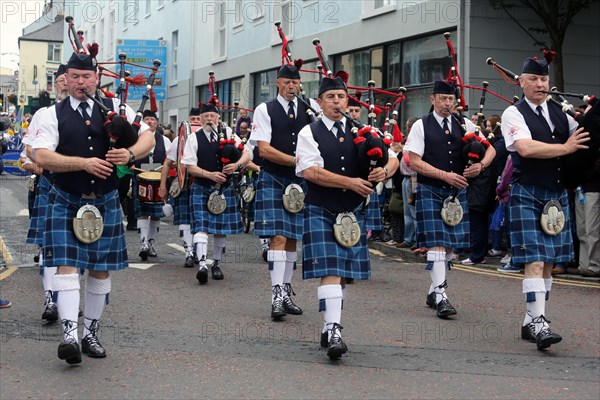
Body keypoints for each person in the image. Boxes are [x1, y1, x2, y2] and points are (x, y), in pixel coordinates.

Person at [32, 51, 155, 364]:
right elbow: (42, 157)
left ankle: (90, 332)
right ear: (66, 79)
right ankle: (70, 335)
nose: (80, 82)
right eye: (74, 77)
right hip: (66, 199)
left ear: (96, 79)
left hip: (105, 200)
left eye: (86, 77)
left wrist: (129, 154)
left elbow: (148, 138)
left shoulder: (117, 108)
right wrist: (82, 163)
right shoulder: (51, 114)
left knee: (100, 270)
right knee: (66, 266)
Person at [296, 76, 399, 359]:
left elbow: (393, 158)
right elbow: (310, 172)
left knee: (341, 275)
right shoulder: (309, 132)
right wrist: (351, 182)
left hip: (352, 212)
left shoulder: (363, 131)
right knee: (331, 270)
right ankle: (334, 329)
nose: (337, 102)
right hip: (322, 208)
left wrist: (384, 172)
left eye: (341, 97)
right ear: (319, 103)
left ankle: (330, 325)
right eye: (330, 97)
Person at [501, 56, 589, 350]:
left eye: (544, 80)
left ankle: (531, 320)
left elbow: (586, 136)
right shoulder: (513, 114)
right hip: (527, 192)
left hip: (556, 194)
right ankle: (539, 323)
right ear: (521, 82)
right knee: (535, 260)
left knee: (549, 263)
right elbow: (525, 148)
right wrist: (565, 148)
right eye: (534, 80)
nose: (540, 85)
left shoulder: (561, 113)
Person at [404, 80, 495, 319]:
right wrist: (445, 175)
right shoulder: (421, 126)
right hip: (431, 189)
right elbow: (414, 161)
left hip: (456, 194)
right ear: (432, 100)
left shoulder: (465, 124)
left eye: (451, 99)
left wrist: (480, 166)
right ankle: (442, 296)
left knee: (448, 247)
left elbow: (491, 149)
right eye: (443, 99)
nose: (447, 103)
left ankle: (434, 290)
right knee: (436, 243)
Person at [251, 64, 320, 320]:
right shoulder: (264, 109)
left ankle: (286, 292)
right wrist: (297, 162)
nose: (292, 86)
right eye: (287, 82)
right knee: (278, 238)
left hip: (301, 182)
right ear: (278, 83)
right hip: (274, 178)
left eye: (296, 82)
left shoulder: (309, 108)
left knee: (293, 239)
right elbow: (265, 150)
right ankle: (276, 295)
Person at [182, 101, 250, 284]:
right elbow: (189, 166)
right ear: (201, 119)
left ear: (218, 117)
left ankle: (216, 264)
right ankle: (203, 264)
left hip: (224, 189)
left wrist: (236, 165)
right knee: (201, 227)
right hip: (202, 187)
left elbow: (247, 153)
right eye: (205, 116)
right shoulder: (193, 138)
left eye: (212, 116)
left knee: (220, 230)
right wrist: (209, 175)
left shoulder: (229, 134)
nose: (209, 119)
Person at [22, 64, 69, 322]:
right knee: (51, 246)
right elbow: (28, 149)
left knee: (73, 250)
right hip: (51, 184)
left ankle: (66, 296)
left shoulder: (88, 113)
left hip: (79, 188)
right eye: (60, 80)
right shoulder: (44, 113)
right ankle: (51, 299)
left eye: (67, 79)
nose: (64, 84)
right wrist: (38, 159)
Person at [158, 108, 202, 268]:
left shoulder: (210, 137)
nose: (196, 121)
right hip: (184, 184)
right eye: (193, 118)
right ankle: (188, 252)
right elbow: (167, 163)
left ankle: (199, 252)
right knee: (185, 219)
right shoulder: (179, 140)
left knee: (200, 221)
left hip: (203, 184)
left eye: (198, 118)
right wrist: (163, 186)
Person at [134, 109, 172, 261]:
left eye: (152, 119)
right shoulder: (136, 138)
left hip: (159, 180)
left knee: (156, 214)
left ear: (157, 123)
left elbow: (171, 159)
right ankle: (143, 244)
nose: (150, 122)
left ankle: (151, 244)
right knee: (142, 212)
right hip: (140, 178)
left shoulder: (165, 140)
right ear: (142, 123)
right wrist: (130, 163)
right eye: (147, 119)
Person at [397, 117, 419, 249]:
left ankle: (417, 240)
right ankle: (408, 239)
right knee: (407, 211)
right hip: (405, 179)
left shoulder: (417, 141)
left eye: (407, 126)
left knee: (414, 211)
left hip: (412, 179)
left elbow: (412, 161)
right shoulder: (409, 140)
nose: (406, 128)